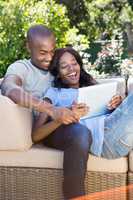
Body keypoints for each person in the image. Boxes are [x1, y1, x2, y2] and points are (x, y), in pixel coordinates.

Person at [32, 47, 125, 199]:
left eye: (74, 63)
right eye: (64, 66)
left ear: (79, 65)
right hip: (70, 134)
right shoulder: (54, 93)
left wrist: (117, 105)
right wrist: (60, 117)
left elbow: (108, 117)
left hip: (105, 134)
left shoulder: (93, 87)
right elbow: (36, 135)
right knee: (81, 132)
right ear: (58, 73)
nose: (71, 69)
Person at [0, 24, 80, 124]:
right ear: (29, 47)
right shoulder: (21, 67)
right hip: (38, 130)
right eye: (43, 53)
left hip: (62, 124)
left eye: (52, 51)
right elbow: (9, 88)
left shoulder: (57, 67)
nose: (49, 58)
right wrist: (51, 110)